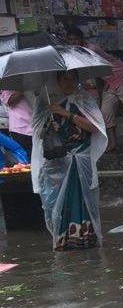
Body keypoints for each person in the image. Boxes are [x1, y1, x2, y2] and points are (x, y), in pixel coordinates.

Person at [28, 71, 107, 250]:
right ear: (57, 81)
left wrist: (66, 114)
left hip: (81, 159)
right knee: (58, 202)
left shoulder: (85, 100)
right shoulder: (46, 102)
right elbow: (37, 133)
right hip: (58, 162)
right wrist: (50, 127)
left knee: (84, 199)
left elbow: (95, 127)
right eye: (64, 79)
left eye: (72, 79)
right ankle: (63, 239)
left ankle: (86, 238)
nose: (68, 83)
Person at [65, 26, 123, 151]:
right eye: (70, 40)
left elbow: (93, 71)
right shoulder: (77, 52)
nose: (73, 42)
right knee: (106, 112)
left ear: (81, 39)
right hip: (109, 82)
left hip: (121, 77)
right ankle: (112, 143)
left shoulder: (91, 50)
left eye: (75, 39)